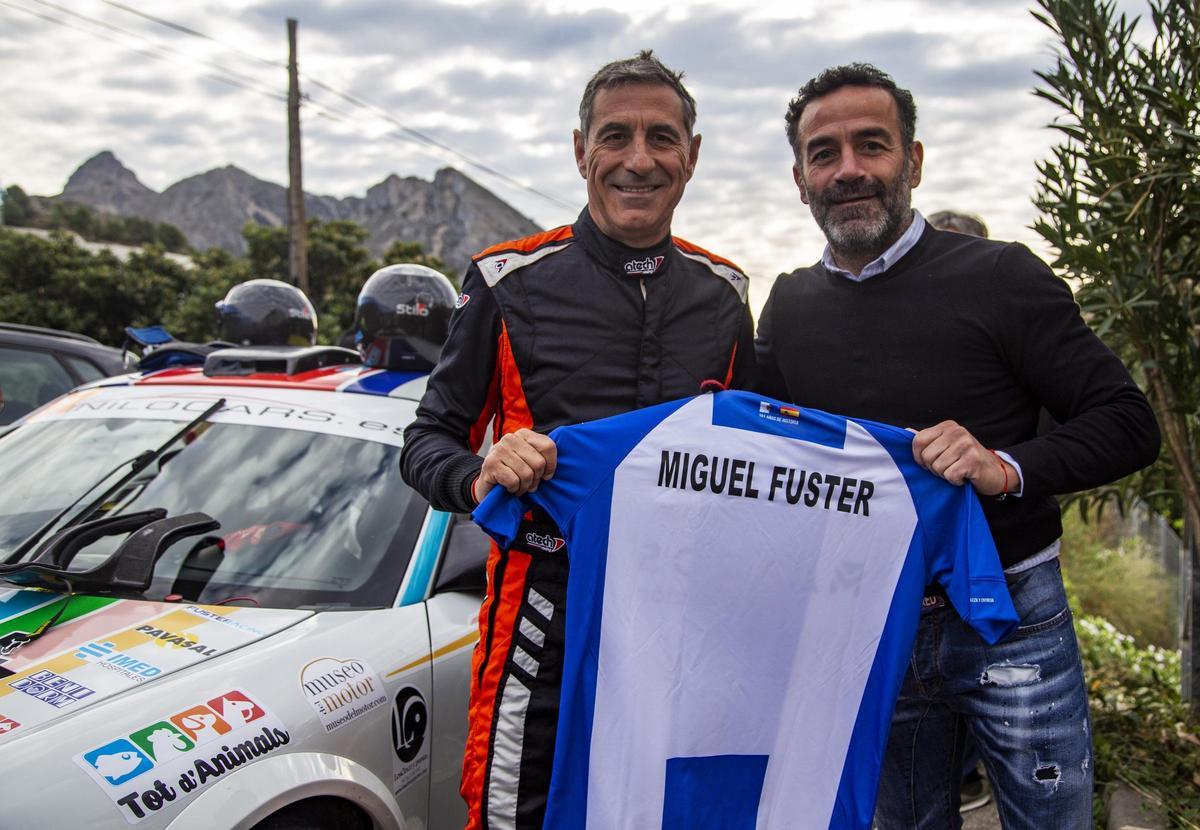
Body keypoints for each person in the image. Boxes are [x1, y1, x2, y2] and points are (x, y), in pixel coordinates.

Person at [755, 63, 1160, 828]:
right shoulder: (788, 303)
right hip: (871, 622)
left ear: (912, 161)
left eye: (871, 146)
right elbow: (768, 451)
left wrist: (1004, 468)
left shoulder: (1003, 275)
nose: (848, 170)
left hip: (1011, 614)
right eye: (824, 153)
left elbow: (1127, 421)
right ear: (800, 178)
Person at [400, 50, 754, 830]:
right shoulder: (506, 280)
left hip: (679, 617)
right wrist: (481, 470)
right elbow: (425, 442)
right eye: (615, 136)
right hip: (542, 607)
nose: (638, 159)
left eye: (662, 138)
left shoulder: (726, 297)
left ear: (692, 157)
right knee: (514, 812)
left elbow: (757, 457)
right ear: (579, 150)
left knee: (664, 810)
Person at [927, 207, 993, 815]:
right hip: (910, 582)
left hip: (998, 570)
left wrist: (1001, 466)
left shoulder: (1004, 333)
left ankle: (972, 773)